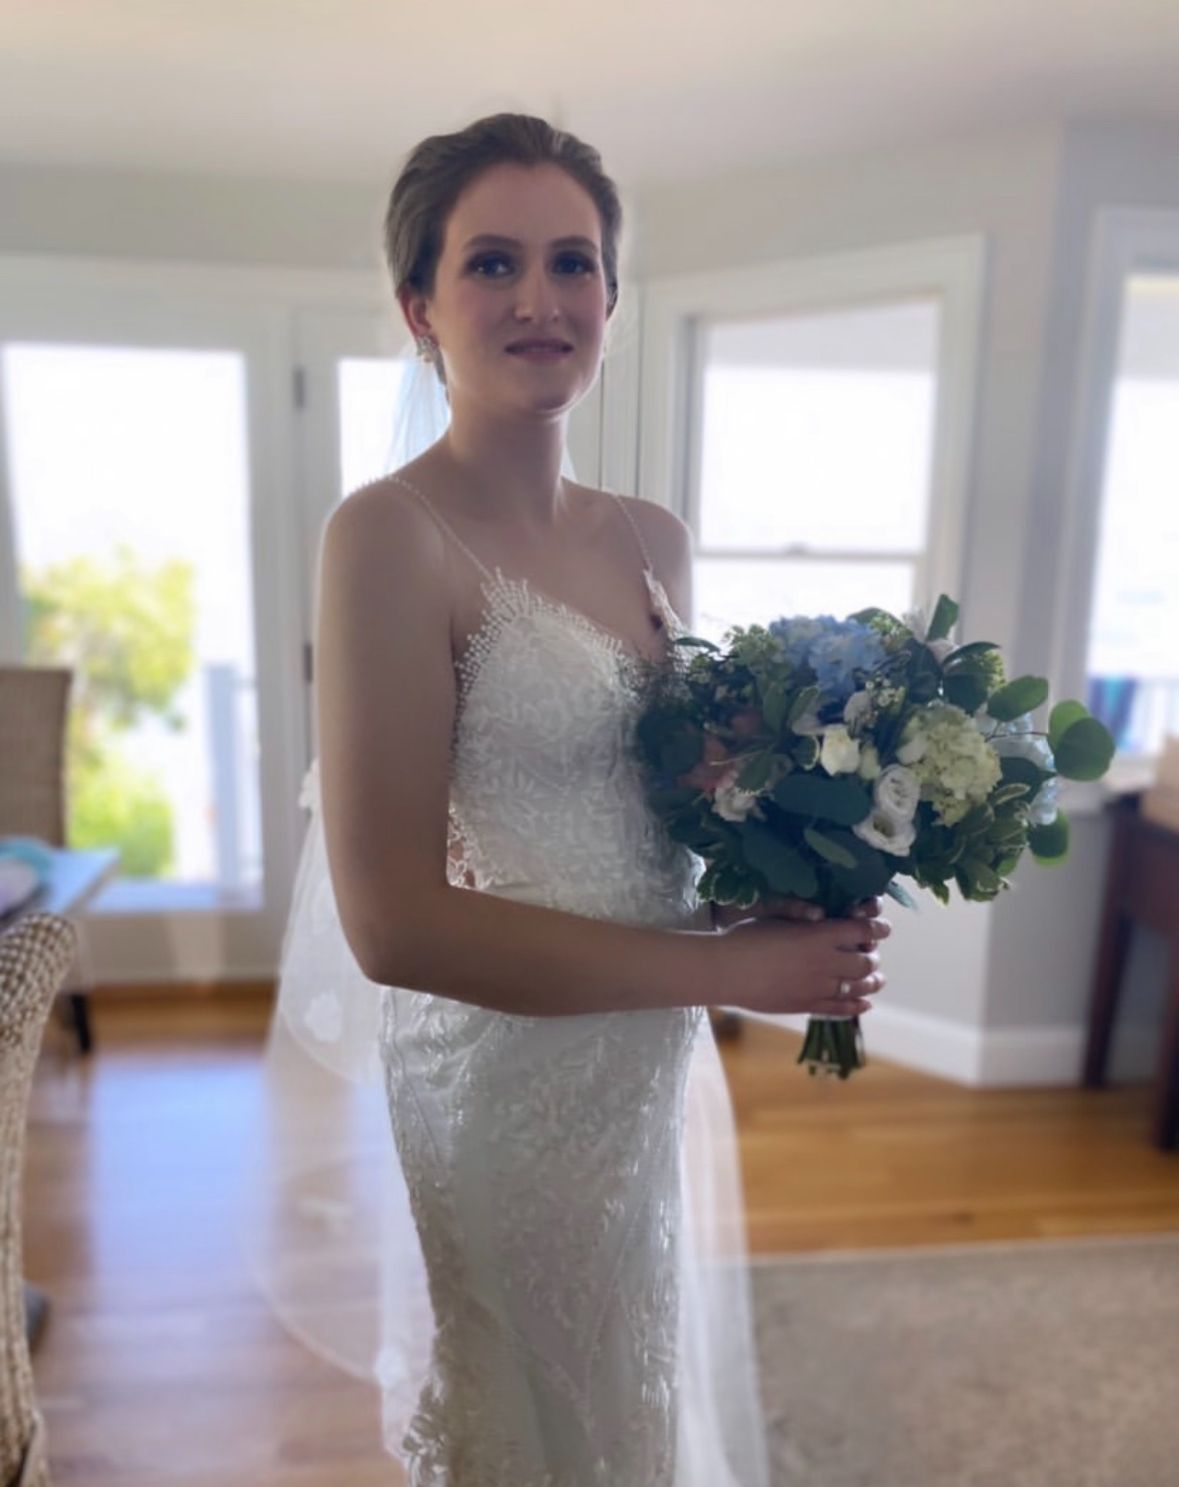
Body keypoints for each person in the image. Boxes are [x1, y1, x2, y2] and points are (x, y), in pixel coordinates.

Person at [251, 112, 890, 1485]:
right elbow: (397, 928)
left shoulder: (651, 538)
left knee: (626, 1389)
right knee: (538, 1415)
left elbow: (656, 809)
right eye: (492, 264)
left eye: (573, 262)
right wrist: (723, 971)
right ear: (420, 306)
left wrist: (777, 882)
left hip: (635, 1067)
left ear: (611, 294)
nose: (540, 299)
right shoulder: (384, 537)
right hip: (500, 1075)